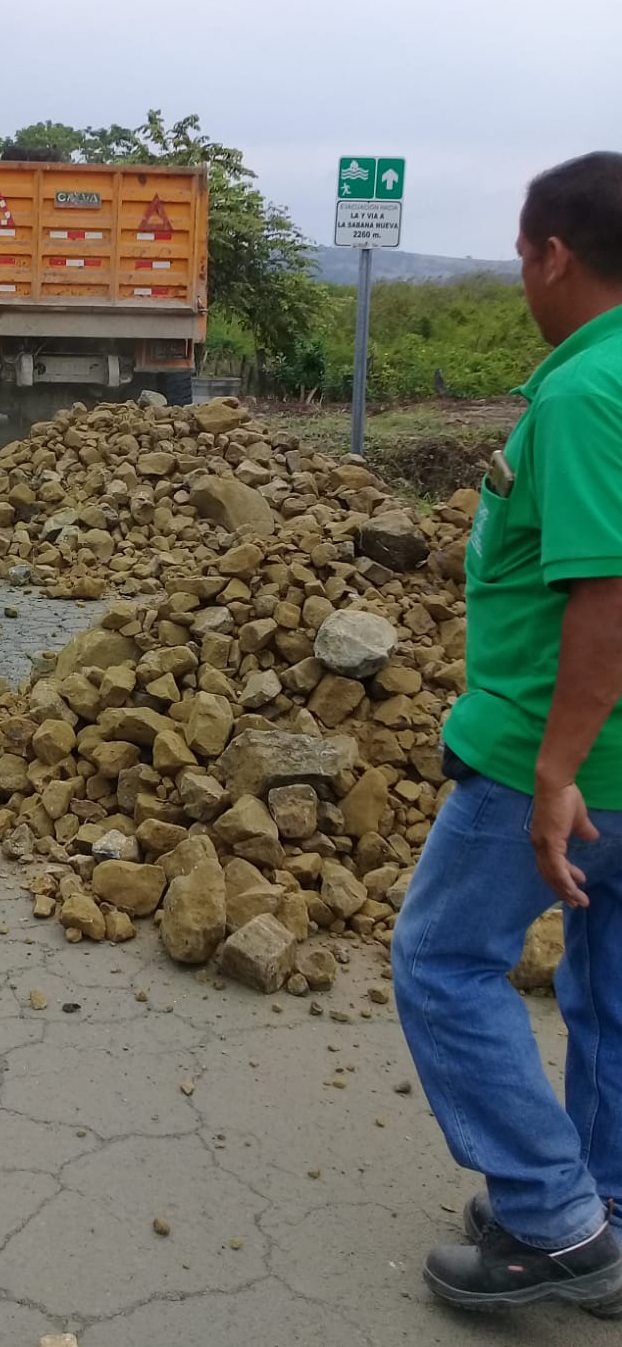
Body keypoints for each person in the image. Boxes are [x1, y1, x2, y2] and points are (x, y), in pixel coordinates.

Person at [393, 151, 622, 1315]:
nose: (522, 272)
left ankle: (553, 1219)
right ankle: (606, 1202)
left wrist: (555, 772)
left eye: (522, 253)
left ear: (554, 255)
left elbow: (608, 595)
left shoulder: (586, 396)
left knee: (443, 959)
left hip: (565, 758)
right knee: (608, 982)